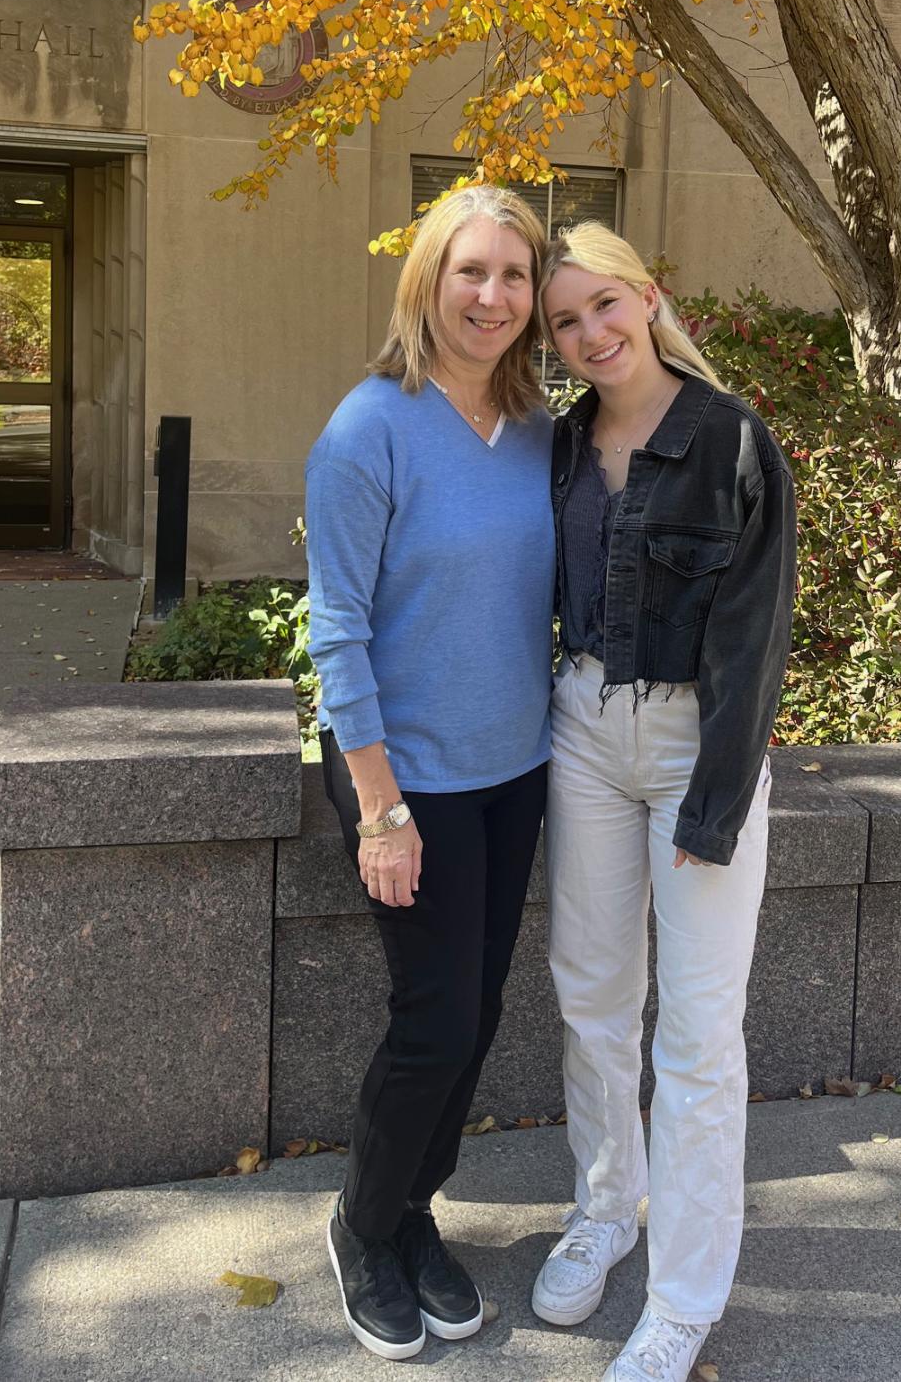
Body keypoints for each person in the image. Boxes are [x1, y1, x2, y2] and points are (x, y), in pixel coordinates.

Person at [532, 223, 796, 1382]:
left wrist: (714, 807)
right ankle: (608, 1209)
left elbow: (755, 636)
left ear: (648, 297)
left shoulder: (730, 437)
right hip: (582, 727)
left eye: (603, 305)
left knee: (695, 1035)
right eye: (564, 321)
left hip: (698, 737)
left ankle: (684, 1294)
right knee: (590, 995)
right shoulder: (563, 443)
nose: (590, 333)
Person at [306, 184, 555, 1361]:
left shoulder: (539, 431)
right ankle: (362, 1226)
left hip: (516, 772)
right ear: (428, 279)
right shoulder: (370, 426)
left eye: (514, 275)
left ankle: (412, 1211)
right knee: (434, 1020)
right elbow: (337, 632)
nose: (493, 296)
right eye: (472, 271)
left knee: (481, 1012)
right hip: (404, 777)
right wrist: (379, 809)